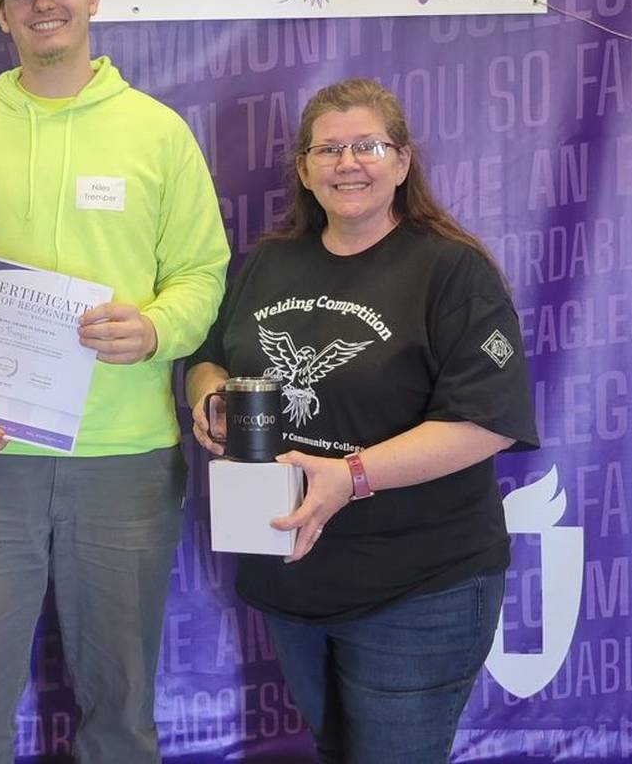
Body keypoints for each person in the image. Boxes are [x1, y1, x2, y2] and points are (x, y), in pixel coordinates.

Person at [0, 0, 229, 763]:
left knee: (120, 720)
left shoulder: (157, 134)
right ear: (2, 14)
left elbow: (202, 273)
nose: (44, 4)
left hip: (126, 461)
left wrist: (155, 328)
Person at [186, 77, 537, 764]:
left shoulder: (451, 272)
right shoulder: (266, 264)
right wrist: (211, 396)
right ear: (304, 170)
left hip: (416, 585)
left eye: (368, 146)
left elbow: (486, 420)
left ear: (402, 162)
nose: (349, 163)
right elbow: (204, 359)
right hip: (292, 574)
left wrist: (351, 475)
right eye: (329, 149)